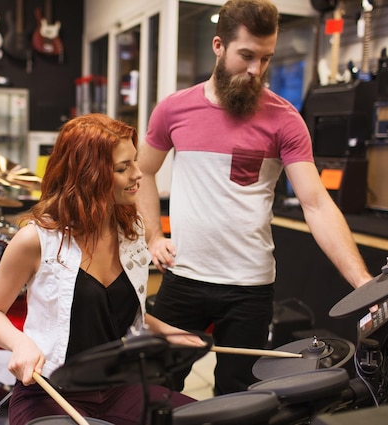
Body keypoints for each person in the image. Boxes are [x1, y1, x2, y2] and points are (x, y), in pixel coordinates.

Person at [136, 0, 373, 396]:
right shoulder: (174, 110)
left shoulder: (285, 119)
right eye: (246, 56)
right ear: (218, 46)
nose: (255, 70)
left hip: (249, 288)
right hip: (184, 278)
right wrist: (152, 237)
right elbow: (143, 171)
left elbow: (316, 204)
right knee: (157, 391)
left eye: (265, 59)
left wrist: (363, 282)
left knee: (239, 399)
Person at [0, 113, 205, 425]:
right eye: (124, 168)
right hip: (50, 391)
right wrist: (20, 343)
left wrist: (167, 331)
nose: (139, 174)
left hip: (118, 387)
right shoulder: (36, 239)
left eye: (135, 162)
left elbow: (112, 310)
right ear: (89, 174)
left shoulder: (132, 228)